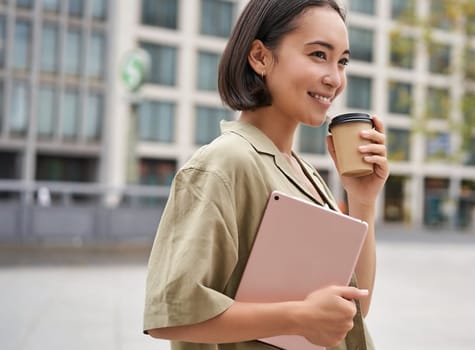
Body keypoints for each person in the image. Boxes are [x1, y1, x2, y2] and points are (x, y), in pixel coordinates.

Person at [142, 1, 389, 349]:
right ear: (260, 57)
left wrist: (362, 200)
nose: (335, 78)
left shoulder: (304, 173)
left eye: (343, 61)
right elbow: (172, 315)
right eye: (319, 54)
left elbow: (352, 310)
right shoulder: (225, 162)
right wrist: (298, 317)